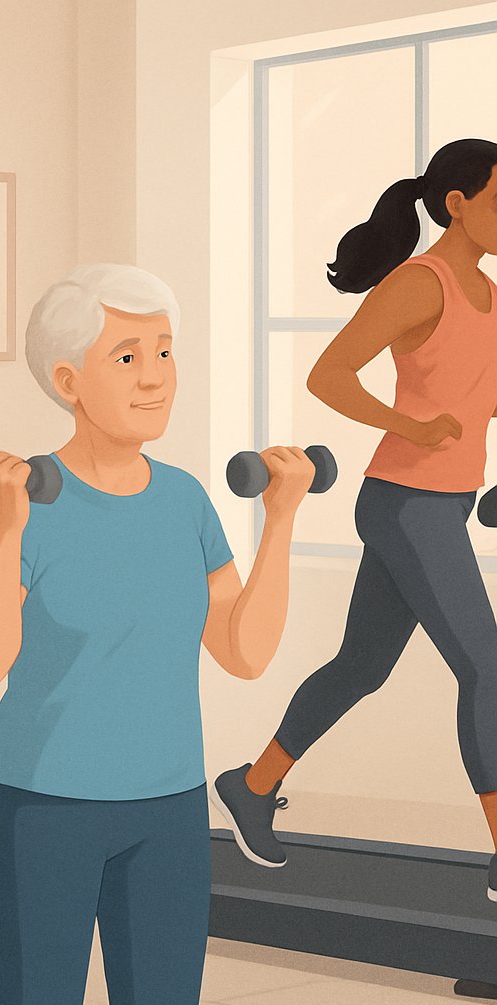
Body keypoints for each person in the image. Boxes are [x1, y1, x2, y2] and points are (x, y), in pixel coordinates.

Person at [0, 263, 315, 1005]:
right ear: (69, 380)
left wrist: (280, 521)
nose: (156, 378)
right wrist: (7, 526)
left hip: (168, 813)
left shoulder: (185, 500)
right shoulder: (18, 499)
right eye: (128, 357)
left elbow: (243, 652)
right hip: (42, 812)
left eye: (166, 352)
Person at [212, 138, 497, 902]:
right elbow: (329, 373)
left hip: (447, 502)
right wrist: (412, 428)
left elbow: (479, 395)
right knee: (488, 667)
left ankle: (252, 783)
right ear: (460, 205)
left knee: (362, 667)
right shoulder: (420, 283)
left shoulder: (489, 293)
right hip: (406, 505)